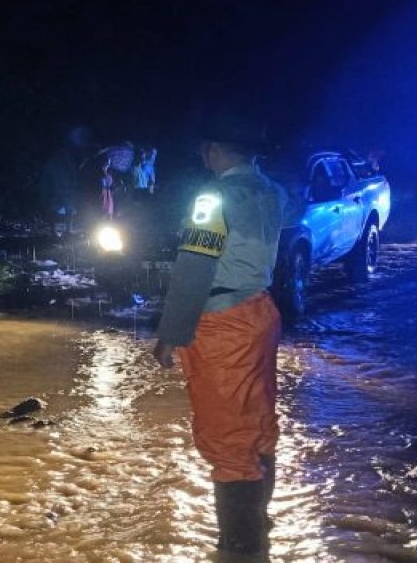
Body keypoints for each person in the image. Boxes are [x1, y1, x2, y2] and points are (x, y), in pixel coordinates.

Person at [151, 111, 286, 558]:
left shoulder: (212, 198)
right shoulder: (273, 191)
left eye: (205, 147)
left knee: (226, 434)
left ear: (215, 150)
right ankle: (258, 526)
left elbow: (194, 265)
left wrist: (170, 333)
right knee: (258, 423)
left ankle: (239, 546)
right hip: (260, 312)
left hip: (223, 324)